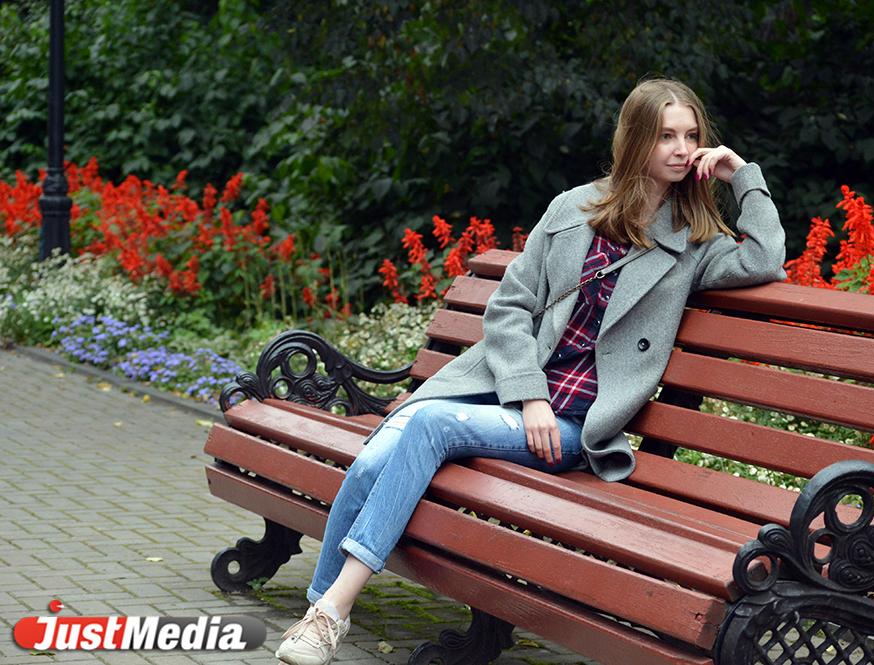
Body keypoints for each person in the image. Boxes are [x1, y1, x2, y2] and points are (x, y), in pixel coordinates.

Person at [275, 77, 787, 664]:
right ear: (635, 140)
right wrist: (529, 395)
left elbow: (765, 258)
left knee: (429, 426)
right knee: (372, 460)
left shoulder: (693, 242)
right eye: (666, 135)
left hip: (576, 425)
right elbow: (509, 308)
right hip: (506, 396)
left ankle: (331, 614)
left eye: (691, 136)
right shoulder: (573, 210)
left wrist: (741, 174)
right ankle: (320, 612)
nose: (682, 148)